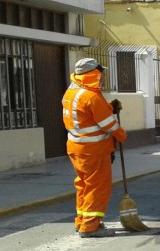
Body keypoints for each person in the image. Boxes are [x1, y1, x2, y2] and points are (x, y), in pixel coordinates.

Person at [62, 58, 126, 238]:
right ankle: (90, 226)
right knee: (97, 187)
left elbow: (87, 116)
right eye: (102, 73)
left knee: (83, 185)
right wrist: (122, 135)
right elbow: (108, 125)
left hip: (76, 148)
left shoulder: (71, 92)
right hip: (94, 150)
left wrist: (109, 107)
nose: (103, 77)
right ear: (94, 74)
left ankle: (81, 221)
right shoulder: (91, 96)